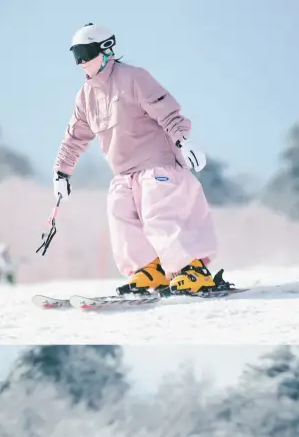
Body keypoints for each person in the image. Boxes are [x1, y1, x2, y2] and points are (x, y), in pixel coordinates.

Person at [52, 23, 224, 295]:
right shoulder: (86, 96)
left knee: (160, 216)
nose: (81, 62)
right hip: (124, 173)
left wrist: (183, 140)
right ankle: (151, 268)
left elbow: (166, 112)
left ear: (106, 49)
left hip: (157, 166)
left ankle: (191, 269)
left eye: (86, 53)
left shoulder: (134, 78)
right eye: (76, 55)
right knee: (119, 215)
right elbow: (75, 137)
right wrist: (62, 172)